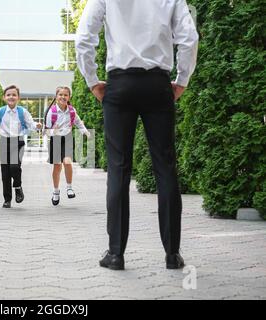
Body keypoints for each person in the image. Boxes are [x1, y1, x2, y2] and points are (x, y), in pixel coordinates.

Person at [75, 0, 198, 270]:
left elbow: (84, 38)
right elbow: (189, 38)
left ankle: (116, 254)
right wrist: (182, 80)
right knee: (165, 167)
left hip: (120, 84)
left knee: (118, 168)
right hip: (158, 84)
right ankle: (172, 255)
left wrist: (92, 80)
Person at [0, 85, 42, 208]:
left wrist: (37, 125)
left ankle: (18, 186)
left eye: (14, 94)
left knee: (15, 167)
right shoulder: (1, 111)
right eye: (8, 94)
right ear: (4, 97)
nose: (11, 97)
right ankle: (7, 199)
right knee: (5, 172)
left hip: (18, 141)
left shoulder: (22, 112)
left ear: (18, 98)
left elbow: (30, 123)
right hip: (4, 142)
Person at [44, 87, 90, 206]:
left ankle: (69, 187)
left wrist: (84, 131)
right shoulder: (51, 112)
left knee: (68, 162)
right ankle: (56, 191)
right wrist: (54, 131)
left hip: (68, 138)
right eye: (60, 95)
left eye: (65, 95)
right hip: (55, 139)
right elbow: (46, 132)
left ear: (69, 97)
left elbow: (78, 122)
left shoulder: (71, 110)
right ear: (56, 96)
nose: (63, 97)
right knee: (57, 166)